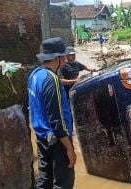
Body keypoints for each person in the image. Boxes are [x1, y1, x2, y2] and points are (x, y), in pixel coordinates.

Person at [28, 37, 76, 189]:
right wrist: (69, 148)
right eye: (64, 57)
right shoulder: (53, 80)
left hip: (42, 137)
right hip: (57, 140)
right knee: (63, 182)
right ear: (57, 58)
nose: (66, 60)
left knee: (44, 179)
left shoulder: (34, 75)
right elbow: (57, 118)